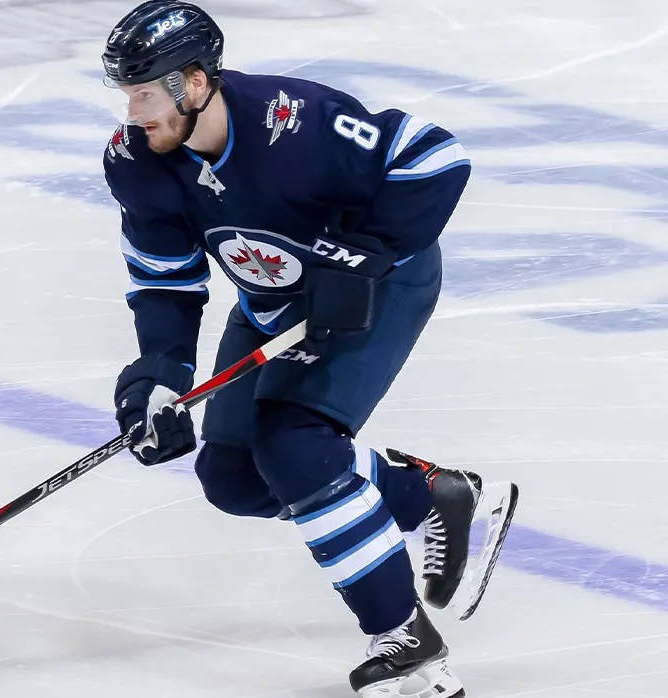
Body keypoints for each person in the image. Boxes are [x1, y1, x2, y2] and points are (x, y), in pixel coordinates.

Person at [101, 3, 519, 696]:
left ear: (197, 82)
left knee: (295, 446)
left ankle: (406, 642)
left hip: (378, 289)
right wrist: (158, 379)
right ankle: (433, 494)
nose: (134, 111)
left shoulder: (294, 122)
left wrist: (371, 251)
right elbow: (164, 282)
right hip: (272, 303)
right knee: (235, 479)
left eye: (147, 91)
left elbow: (435, 155)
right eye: (127, 93)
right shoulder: (138, 164)